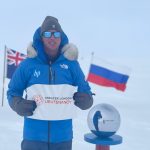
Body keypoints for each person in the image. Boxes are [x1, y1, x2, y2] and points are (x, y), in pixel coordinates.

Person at [7, 16, 93, 150]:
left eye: (56, 34)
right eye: (47, 34)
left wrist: (87, 100)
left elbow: (86, 91)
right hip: (33, 138)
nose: (52, 37)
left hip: (62, 139)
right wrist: (17, 104)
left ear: (61, 36)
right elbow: (13, 91)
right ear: (41, 37)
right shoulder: (28, 65)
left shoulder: (71, 65)